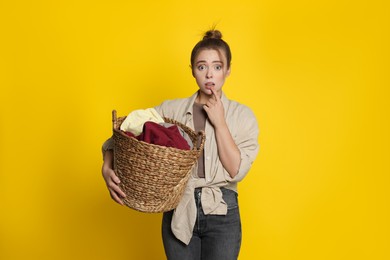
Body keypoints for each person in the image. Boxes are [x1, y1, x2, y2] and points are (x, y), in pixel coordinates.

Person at [101, 29, 259, 260]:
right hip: (179, 208)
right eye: (201, 66)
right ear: (193, 70)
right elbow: (126, 132)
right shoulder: (170, 110)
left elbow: (236, 170)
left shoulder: (243, 116)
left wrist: (220, 123)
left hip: (223, 212)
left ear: (228, 70)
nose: (209, 75)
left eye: (217, 67)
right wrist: (107, 166)